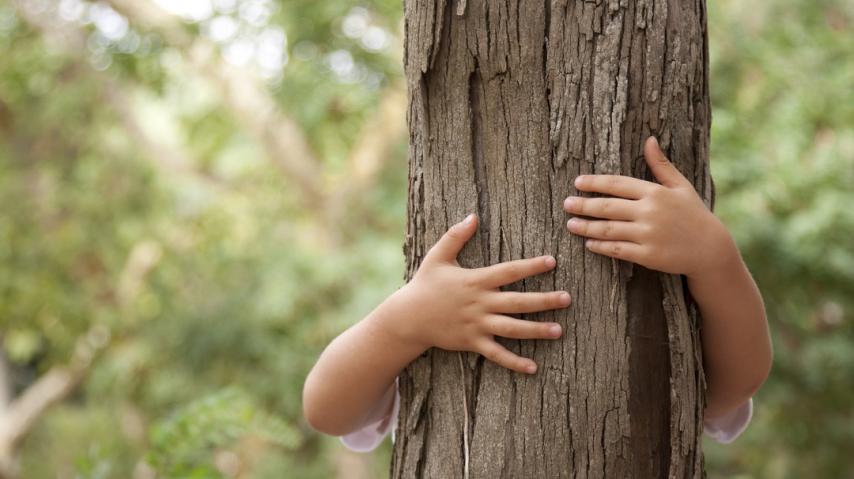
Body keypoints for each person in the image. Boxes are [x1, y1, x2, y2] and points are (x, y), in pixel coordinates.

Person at [302, 136, 773, 452]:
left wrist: (716, 260)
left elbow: (728, 390)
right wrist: (404, 322)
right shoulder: (439, 331)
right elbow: (328, 410)